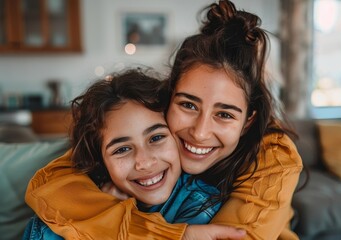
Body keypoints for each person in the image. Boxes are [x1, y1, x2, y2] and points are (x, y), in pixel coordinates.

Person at [25, 0, 303, 239]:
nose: (200, 132)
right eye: (188, 105)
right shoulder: (145, 124)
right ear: (167, 99)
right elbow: (50, 184)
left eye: (224, 114)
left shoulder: (274, 155)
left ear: (248, 122)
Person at [22, 69, 246, 240]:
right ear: (101, 160)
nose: (145, 162)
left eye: (156, 138)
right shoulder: (61, 214)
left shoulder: (202, 205)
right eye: (122, 149)